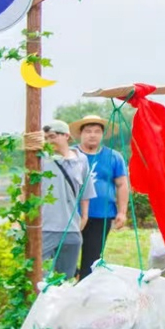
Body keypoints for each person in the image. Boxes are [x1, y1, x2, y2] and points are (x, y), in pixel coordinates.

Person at [71, 115, 130, 278]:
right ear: (81, 134)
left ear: (102, 135)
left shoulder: (113, 156)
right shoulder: (71, 155)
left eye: (97, 131)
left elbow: (122, 184)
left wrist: (122, 212)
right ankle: (65, 285)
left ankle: (84, 291)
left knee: (92, 256)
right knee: (67, 254)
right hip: (72, 214)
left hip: (101, 214)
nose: (92, 135)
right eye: (88, 131)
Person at [40, 119, 95, 279]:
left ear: (66, 136)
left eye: (52, 136)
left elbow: (85, 190)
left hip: (71, 227)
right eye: (46, 138)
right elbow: (25, 191)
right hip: (45, 227)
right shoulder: (40, 159)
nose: (49, 141)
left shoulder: (81, 160)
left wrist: (84, 216)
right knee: (39, 278)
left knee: (65, 277)